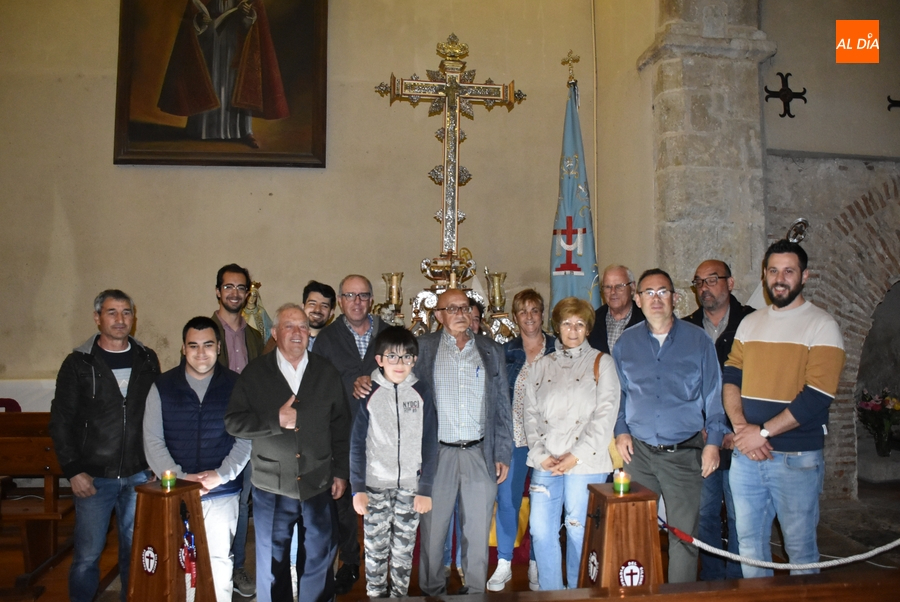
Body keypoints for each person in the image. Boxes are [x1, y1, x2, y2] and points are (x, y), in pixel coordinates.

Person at [723, 240, 845, 578]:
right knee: (748, 546)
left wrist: (760, 432)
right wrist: (741, 428)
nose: (780, 278)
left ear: (804, 276)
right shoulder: (749, 323)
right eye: (773, 271)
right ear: (764, 275)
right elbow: (731, 376)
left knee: (800, 549)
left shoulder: (823, 326)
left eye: (789, 271)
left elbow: (817, 395)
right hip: (748, 457)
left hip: (796, 458)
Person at [225, 303, 351, 602]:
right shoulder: (256, 373)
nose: (298, 333)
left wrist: (341, 473)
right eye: (290, 326)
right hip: (272, 485)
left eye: (303, 327)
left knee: (320, 558)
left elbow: (342, 426)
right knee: (272, 562)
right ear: (276, 332)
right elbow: (233, 422)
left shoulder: (326, 372)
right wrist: (274, 420)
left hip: (318, 481)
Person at [613, 269, 726, 583]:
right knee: (634, 534)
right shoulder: (626, 343)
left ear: (675, 298)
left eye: (662, 291)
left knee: (684, 537)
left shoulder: (698, 341)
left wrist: (714, 443)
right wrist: (620, 429)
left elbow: (714, 396)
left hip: (683, 455)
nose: (656, 299)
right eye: (648, 292)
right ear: (637, 300)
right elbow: (618, 395)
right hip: (639, 454)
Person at [49, 290, 159, 602]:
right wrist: (73, 471)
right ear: (97, 318)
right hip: (94, 479)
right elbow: (61, 421)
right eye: (112, 312)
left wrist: (152, 462)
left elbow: (155, 415)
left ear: (133, 318)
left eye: (126, 312)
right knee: (87, 556)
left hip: (139, 476)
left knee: (134, 551)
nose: (120, 319)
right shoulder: (78, 363)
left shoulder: (147, 358)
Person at [143, 317, 251, 602]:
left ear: (218, 347)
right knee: (178, 563)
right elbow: (153, 440)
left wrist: (221, 474)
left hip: (222, 490)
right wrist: (179, 478)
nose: (201, 353)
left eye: (207, 345)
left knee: (218, 560)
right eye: (193, 346)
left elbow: (246, 439)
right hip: (175, 491)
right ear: (182, 348)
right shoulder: (162, 387)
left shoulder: (237, 386)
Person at [414, 288, 513, 596]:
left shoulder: (491, 350)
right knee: (433, 530)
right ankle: (431, 590)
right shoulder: (422, 349)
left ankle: (474, 592)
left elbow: (502, 407)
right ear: (439, 315)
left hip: (478, 453)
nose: (460, 313)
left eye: (465, 307)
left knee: (477, 529)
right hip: (437, 455)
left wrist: (503, 453)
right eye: (452, 308)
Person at [524, 297, 620, 590]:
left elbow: (605, 415)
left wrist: (574, 456)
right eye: (567, 323)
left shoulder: (602, 363)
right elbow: (530, 414)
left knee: (579, 530)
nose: (573, 329)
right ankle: (552, 593)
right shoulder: (542, 366)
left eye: (579, 323)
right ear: (558, 326)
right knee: (541, 531)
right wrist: (541, 455)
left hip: (586, 461)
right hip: (547, 461)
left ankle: (580, 592)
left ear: (588, 328)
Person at [350, 326, 439, 597]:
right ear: (379, 360)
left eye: (407, 357)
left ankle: (399, 596)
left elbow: (430, 443)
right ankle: (376, 596)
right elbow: (356, 444)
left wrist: (424, 489)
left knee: (402, 552)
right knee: (375, 551)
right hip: (375, 486)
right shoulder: (368, 392)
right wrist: (358, 488)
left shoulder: (421, 391)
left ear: (415, 360)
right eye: (392, 357)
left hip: (410, 488)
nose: (400, 364)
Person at [314, 274, 386, 594]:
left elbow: (406, 373)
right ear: (340, 302)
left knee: (380, 501)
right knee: (342, 502)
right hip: (341, 434)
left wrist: (374, 380)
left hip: (383, 434)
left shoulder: (388, 333)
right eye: (350, 295)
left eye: (363, 295)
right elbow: (319, 386)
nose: (357, 302)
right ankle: (350, 561)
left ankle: (380, 562)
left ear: (372, 299)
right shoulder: (327, 339)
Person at [684, 260, 755, 581]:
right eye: (699, 282)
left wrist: (736, 428)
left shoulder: (753, 323)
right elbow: (680, 383)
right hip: (702, 438)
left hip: (742, 436)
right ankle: (713, 580)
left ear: (730, 282)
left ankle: (738, 580)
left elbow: (757, 384)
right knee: (707, 514)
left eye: (712, 280)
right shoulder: (685, 328)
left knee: (743, 516)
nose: (704, 288)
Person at [487, 289, 555, 592]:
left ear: (542, 313)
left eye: (534, 310)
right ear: (515, 318)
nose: (529, 316)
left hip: (548, 441)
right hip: (514, 439)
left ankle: (536, 564)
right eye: (523, 311)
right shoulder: (506, 351)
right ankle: (503, 562)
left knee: (543, 504)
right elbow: (497, 398)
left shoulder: (559, 348)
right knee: (507, 501)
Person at [158, 0, 289, 148]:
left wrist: (248, 16)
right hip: (209, 40)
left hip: (236, 41)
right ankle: (202, 130)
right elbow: (191, 19)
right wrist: (199, 22)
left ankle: (243, 131)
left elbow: (255, 22)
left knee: (236, 84)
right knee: (209, 80)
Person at [211, 262, 262, 597]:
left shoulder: (255, 336)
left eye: (241, 288)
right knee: (216, 505)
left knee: (243, 503)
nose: (235, 293)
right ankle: (213, 565)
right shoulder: (204, 332)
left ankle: (237, 567)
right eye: (228, 287)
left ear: (248, 293)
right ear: (218, 291)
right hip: (216, 433)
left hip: (251, 433)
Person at [262, 279, 335, 355]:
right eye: (312, 304)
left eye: (324, 306)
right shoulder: (280, 337)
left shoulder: (337, 342)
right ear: (302, 307)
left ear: (331, 313)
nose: (317, 309)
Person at [587, 265, 644, 353]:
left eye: (619, 286)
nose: (613, 292)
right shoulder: (592, 321)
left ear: (632, 287)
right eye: (608, 287)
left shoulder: (646, 320)